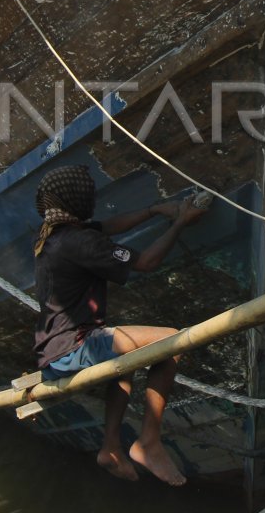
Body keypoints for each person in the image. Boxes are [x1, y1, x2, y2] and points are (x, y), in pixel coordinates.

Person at [32, 164, 206, 486]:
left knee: (123, 358)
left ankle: (110, 448)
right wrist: (180, 221)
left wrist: (154, 210)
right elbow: (145, 262)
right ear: (81, 200)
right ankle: (148, 443)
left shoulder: (54, 236)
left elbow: (107, 227)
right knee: (172, 342)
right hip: (74, 348)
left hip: (54, 351)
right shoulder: (81, 242)